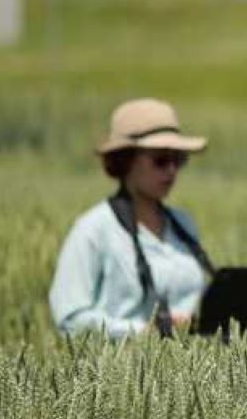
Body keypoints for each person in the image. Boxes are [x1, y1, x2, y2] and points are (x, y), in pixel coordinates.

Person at [49, 98, 214, 338]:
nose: (171, 171)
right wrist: (141, 333)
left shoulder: (184, 224)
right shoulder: (93, 229)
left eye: (178, 159)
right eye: (160, 160)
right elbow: (70, 319)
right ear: (125, 160)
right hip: (119, 371)